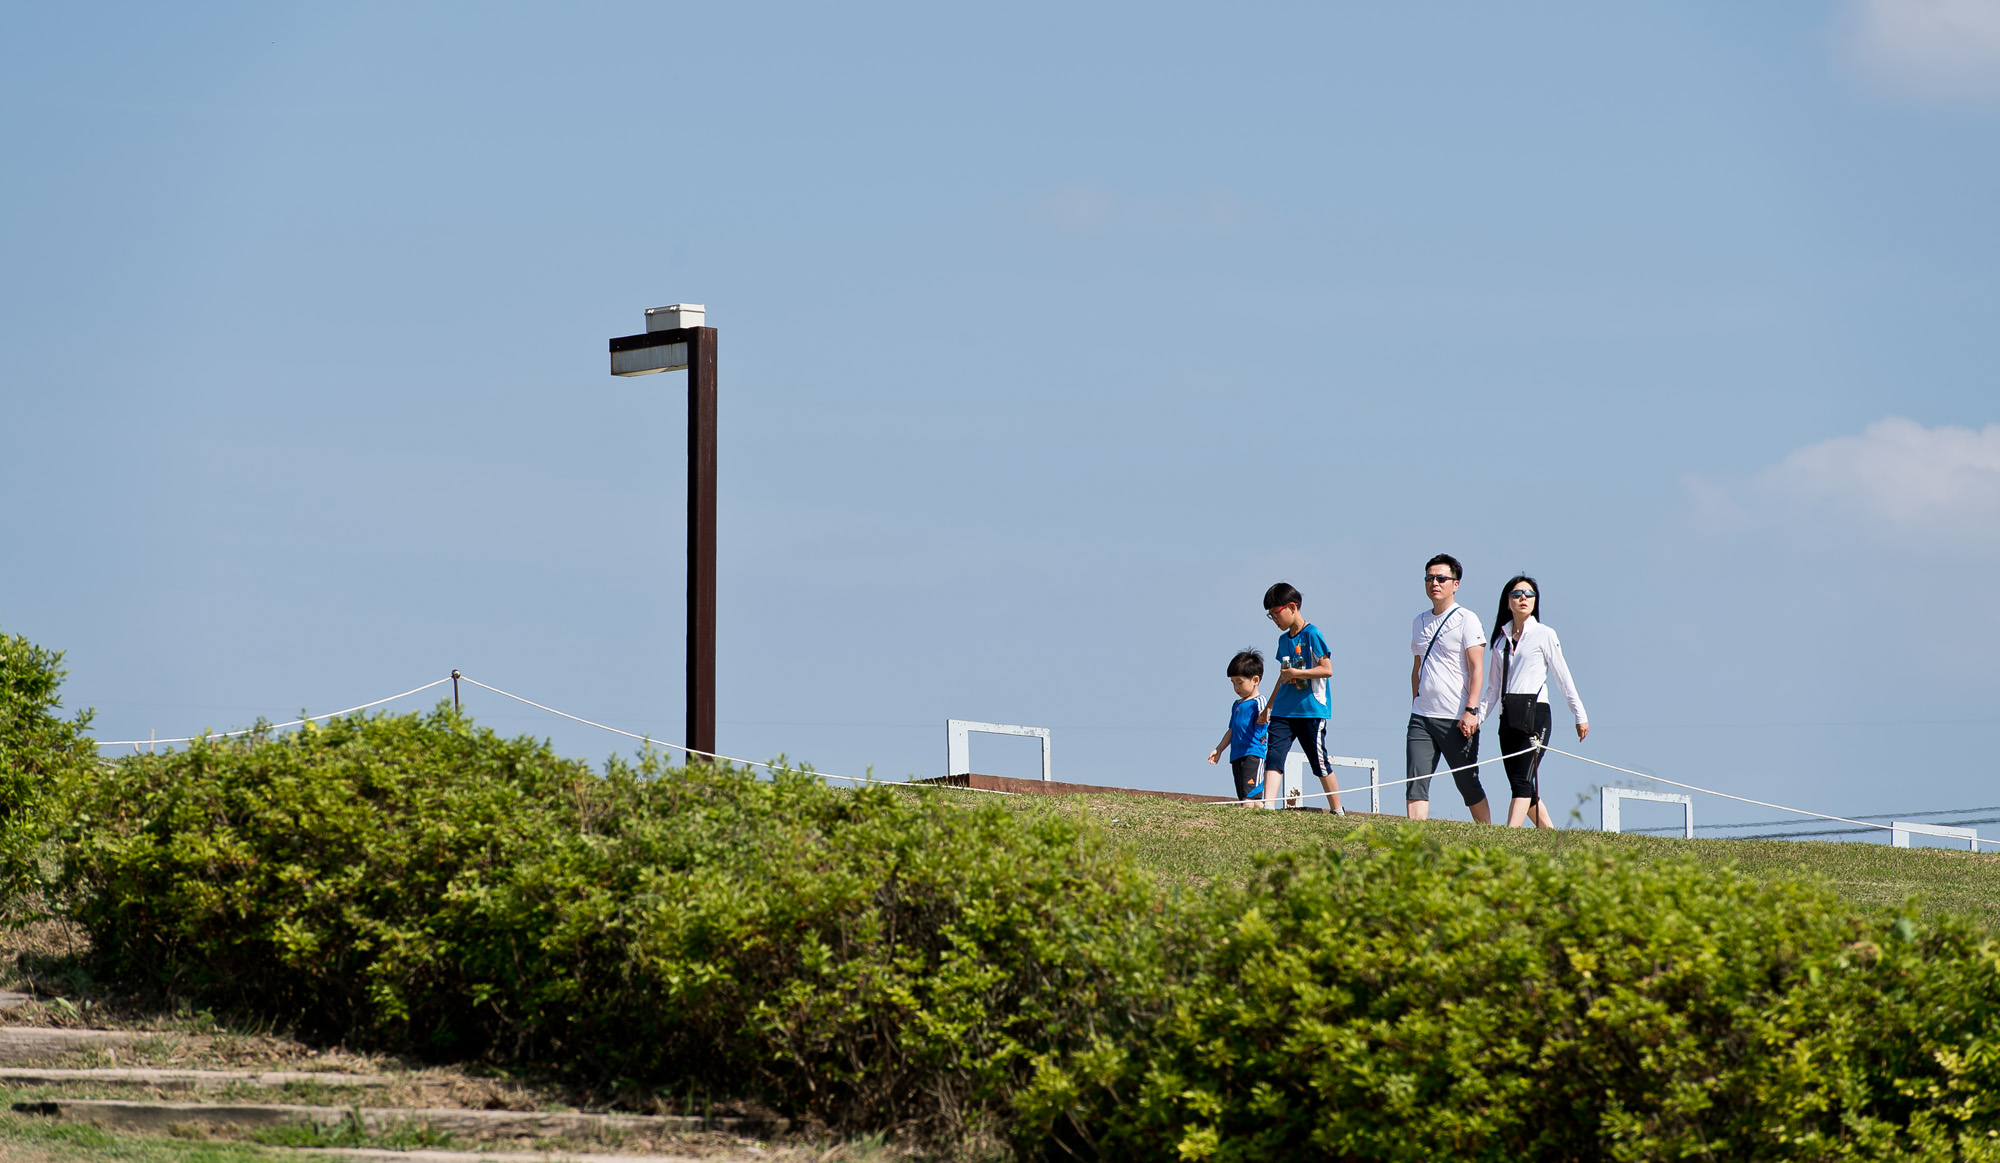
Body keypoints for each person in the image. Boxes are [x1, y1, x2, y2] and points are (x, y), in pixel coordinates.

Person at [1478, 574, 1589, 828]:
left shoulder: (1544, 634)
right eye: (1517, 594)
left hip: (1536, 715)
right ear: (1508, 602)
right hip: (1507, 718)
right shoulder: (1499, 641)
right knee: (1524, 785)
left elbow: (1563, 676)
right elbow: (1493, 689)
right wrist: (1477, 718)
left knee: (1520, 783)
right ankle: (1551, 836)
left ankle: (1508, 836)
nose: (1523, 598)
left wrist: (1579, 714)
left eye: (1529, 594)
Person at [1407, 554, 1489, 821]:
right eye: (1429, 578)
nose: (1435, 583)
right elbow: (1417, 667)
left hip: (1456, 717)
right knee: (1416, 782)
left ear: (1455, 584)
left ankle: (1489, 835)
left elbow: (1477, 668)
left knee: (1467, 783)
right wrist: (1415, 702)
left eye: (1441, 578)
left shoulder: (1467, 619)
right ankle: (1413, 843)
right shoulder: (1419, 621)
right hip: (1422, 716)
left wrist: (1471, 710)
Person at [1259, 583, 1342, 813]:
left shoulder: (1312, 633)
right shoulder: (1283, 641)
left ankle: (1337, 810)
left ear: (1292, 607)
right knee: (1274, 756)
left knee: (1319, 762)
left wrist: (1299, 673)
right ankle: (1268, 807)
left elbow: (1327, 669)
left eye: (1276, 613)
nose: (1274, 619)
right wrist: (1269, 706)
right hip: (1283, 710)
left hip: (1310, 710)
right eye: (1270, 615)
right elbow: (1283, 675)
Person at [1206, 649, 1269, 803]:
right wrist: (1219, 749)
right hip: (1236, 755)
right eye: (1233, 683)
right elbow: (1232, 730)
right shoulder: (1236, 705)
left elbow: (1265, 713)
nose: (1236, 687)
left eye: (1240, 682)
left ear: (1255, 680)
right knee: (1243, 798)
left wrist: (1263, 716)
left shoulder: (1259, 701)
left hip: (1253, 753)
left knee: (1252, 797)